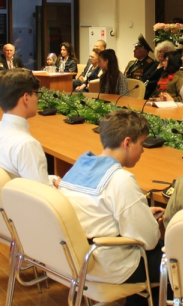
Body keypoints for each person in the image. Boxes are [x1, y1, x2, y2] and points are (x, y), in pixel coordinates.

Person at [58, 110, 164, 306]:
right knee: (173, 262)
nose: (143, 150)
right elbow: (149, 240)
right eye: (141, 144)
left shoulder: (79, 166)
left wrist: (139, 214)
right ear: (127, 143)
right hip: (107, 265)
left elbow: (98, 213)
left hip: (76, 258)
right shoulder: (120, 179)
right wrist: (146, 220)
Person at [0, 69, 56, 185]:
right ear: (26, 98)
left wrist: (52, 180)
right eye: (36, 94)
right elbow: (41, 193)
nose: (37, 99)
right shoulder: (27, 145)